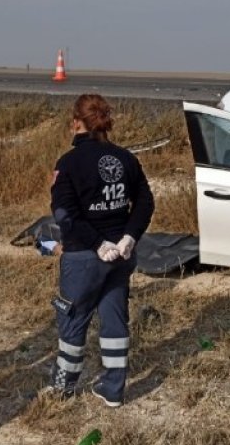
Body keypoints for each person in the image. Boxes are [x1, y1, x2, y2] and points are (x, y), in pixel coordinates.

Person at [47, 94, 155, 407]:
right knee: (115, 317)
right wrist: (129, 238)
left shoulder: (68, 163)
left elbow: (64, 215)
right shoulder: (125, 158)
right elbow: (145, 201)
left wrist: (97, 244)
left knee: (72, 318)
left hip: (84, 258)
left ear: (76, 123)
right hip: (121, 257)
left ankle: (63, 387)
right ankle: (113, 388)